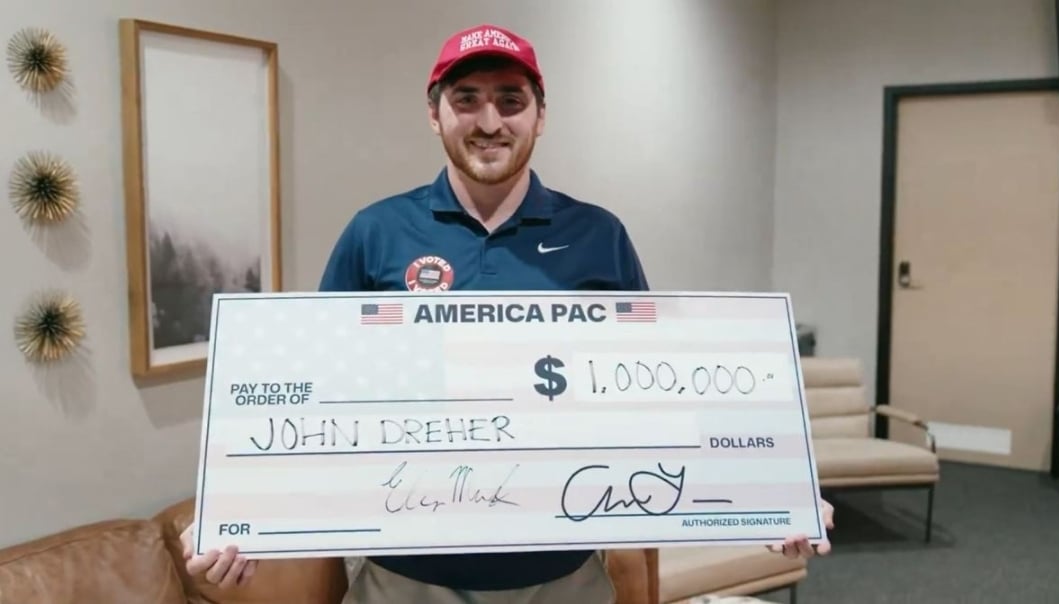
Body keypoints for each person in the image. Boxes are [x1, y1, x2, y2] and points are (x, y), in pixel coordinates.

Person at [180, 22, 834, 603]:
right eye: (466, 99)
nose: (489, 120)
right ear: (434, 115)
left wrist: (768, 496)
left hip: (562, 575)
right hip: (406, 579)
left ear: (540, 116)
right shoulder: (376, 233)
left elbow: (654, 396)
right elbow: (312, 394)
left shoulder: (598, 235)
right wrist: (238, 513)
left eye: (510, 100)